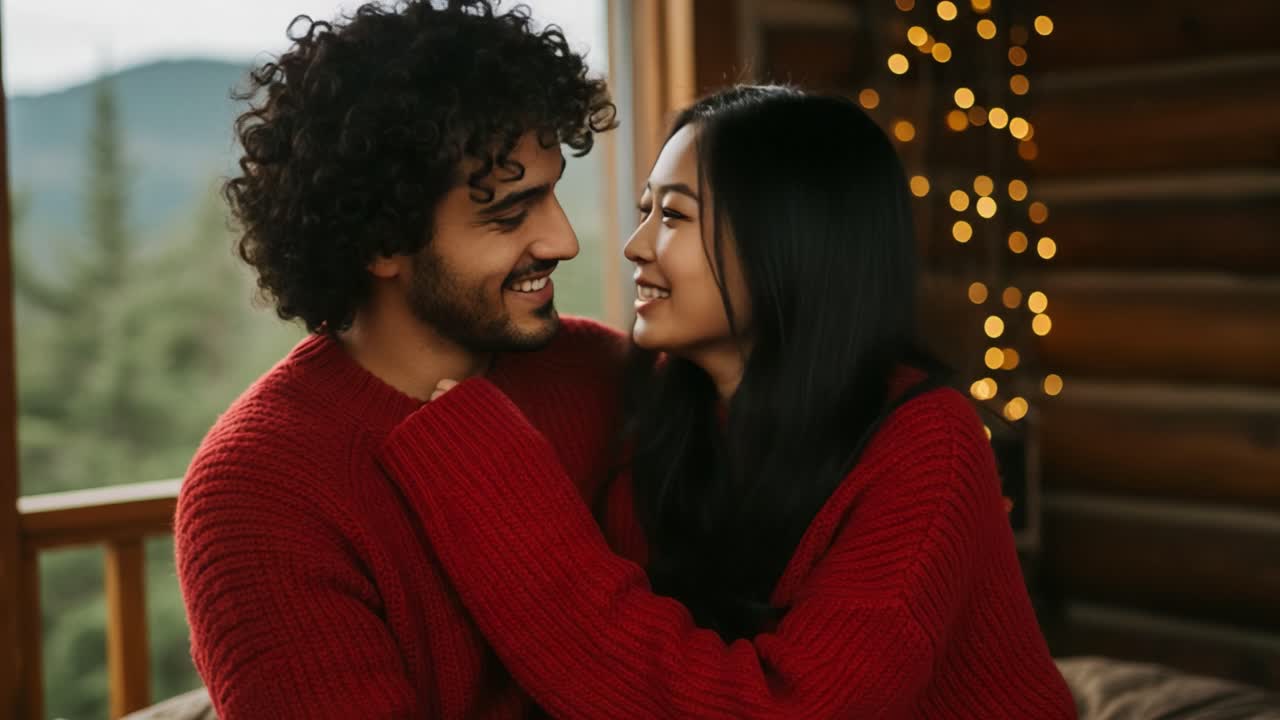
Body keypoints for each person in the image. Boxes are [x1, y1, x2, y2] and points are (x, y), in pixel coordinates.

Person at [378, 85, 1078, 718]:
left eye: (674, 217)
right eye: (644, 209)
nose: (633, 245)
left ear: (788, 243)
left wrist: (500, 493)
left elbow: (786, 711)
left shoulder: (928, 443)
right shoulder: (666, 405)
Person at [174, 1, 623, 717]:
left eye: (554, 194)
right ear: (382, 242)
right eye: (510, 214)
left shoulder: (603, 375)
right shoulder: (257, 494)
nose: (564, 241)